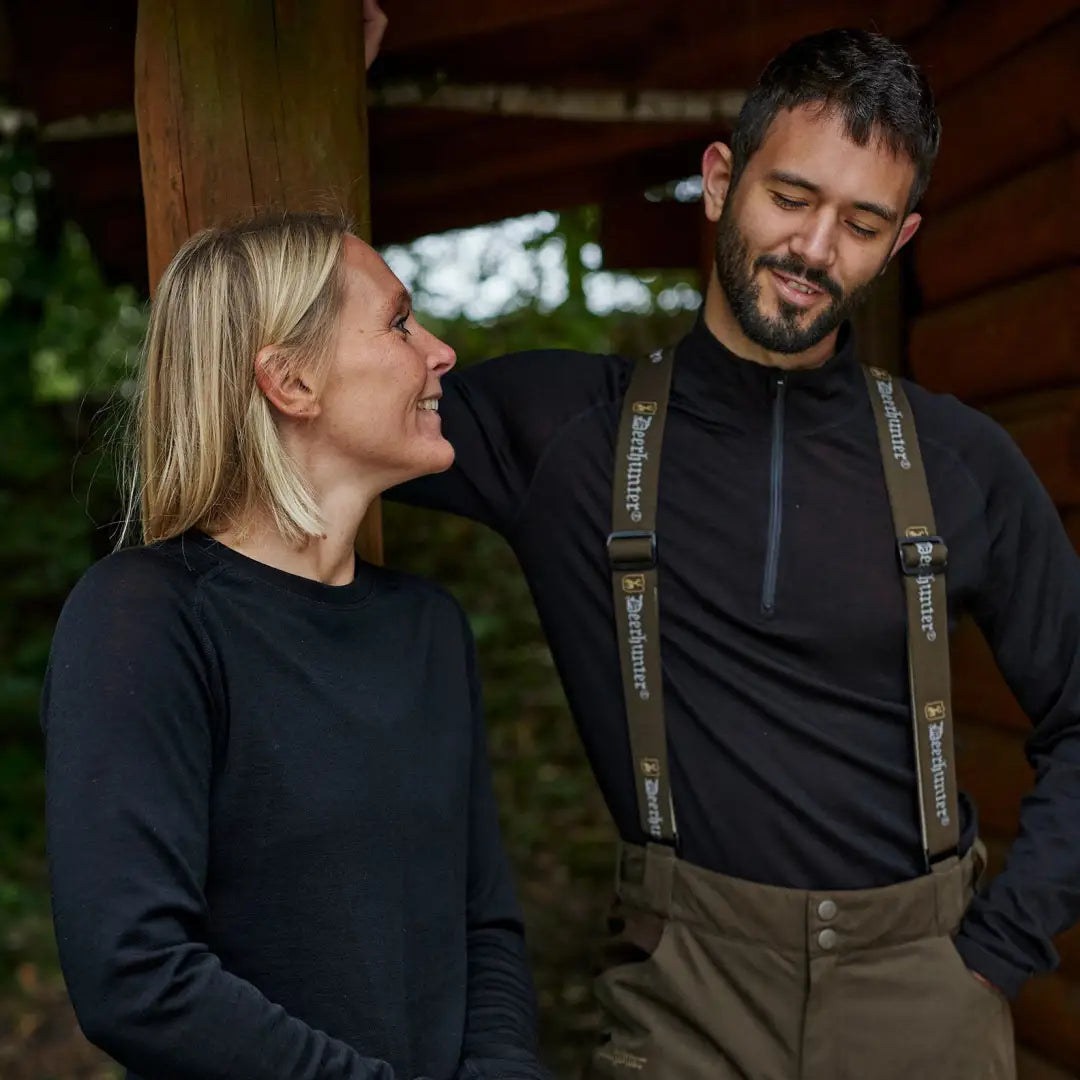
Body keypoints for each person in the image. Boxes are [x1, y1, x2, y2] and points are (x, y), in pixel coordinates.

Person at [391, 28, 1080, 1080]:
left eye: (861, 223)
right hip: (686, 999)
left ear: (901, 242)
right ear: (721, 179)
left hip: (922, 998)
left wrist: (996, 952)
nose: (814, 250)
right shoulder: (565, 433)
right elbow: (318, 394)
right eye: (792, 197)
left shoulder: (960, 463)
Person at [42, 212, 550, 1080]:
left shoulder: (428, 629)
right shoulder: (145, 620)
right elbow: (136, 975)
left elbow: (482, 925)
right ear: (291, 380)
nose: (441, 352)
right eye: (398, 322)